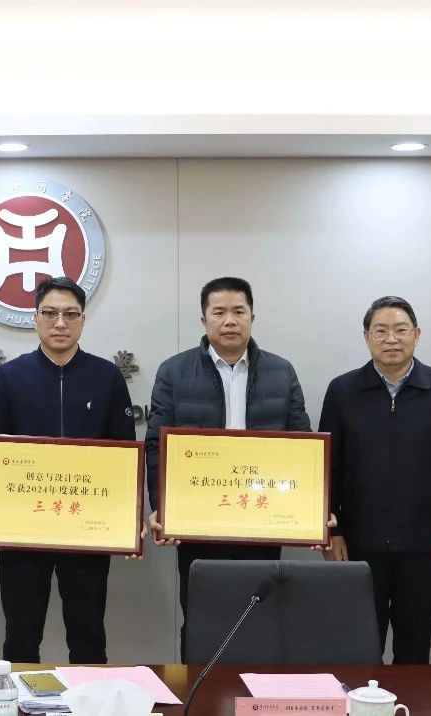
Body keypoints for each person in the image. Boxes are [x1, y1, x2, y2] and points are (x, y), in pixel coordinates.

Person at [0, 276, 136, 664]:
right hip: (23, 528)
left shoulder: (107, 377)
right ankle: (15, 696)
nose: (60, 323)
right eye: (50, 313)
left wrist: (128, 517)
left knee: (88, 632)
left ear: (83, 321)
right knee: (21, 635)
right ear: (36, 318)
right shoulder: (10, 377)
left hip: (87, 527)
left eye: (70, 314)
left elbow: (124, 454)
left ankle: (89, 696)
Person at [144, 276, 310, 660]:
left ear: (253, 317)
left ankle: (253, 690)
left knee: (260, 615)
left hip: (263, 521)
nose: (230, 320)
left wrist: (312, 508)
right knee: (202, 616)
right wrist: (161, 508)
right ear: (204, 320)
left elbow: (302, 445)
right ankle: (197, 689)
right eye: (219, 312)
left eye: (239, 311)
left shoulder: (281, 371)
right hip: (198, 522)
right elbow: (157, 445)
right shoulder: (174, 371)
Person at [317, 296, 431, 664]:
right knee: (359, 646)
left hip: (423, 544)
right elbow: (327, 467)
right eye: (380, 331)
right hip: (359, 543)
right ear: (366, 337)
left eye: (401, 330)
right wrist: (332, 531)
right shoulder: (343, 391)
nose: (391, 339)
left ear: (417, 335)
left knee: (414, 648)